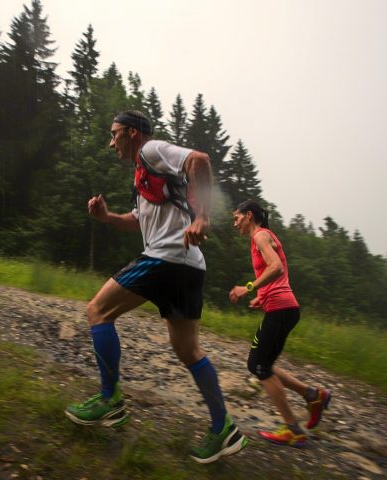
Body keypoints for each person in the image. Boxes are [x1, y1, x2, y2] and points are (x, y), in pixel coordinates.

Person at [65, 110, 247, 464]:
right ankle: (223, 427)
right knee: (187, 350)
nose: (111, 141)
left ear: (132, 133)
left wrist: (203, 216)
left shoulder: (151, 151)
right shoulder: (144, 175)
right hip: (188, 265)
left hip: (165, 259)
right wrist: (105, 218)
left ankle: (109, 400)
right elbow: (137, 221)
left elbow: (199, 160)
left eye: (114, 133)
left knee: (97, 311)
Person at [228, 200, 331, 447]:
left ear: (249, 215)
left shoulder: (260, 236)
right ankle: (312, 395)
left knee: (259, 366)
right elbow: (281, 271)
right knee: (264, 364)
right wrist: (261, 298)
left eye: (237, 218)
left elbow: (275, 267)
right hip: (282, 307)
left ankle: (293, 430)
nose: (235, 224)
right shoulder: (264, 237)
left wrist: (248, 288)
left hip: (282, 309)